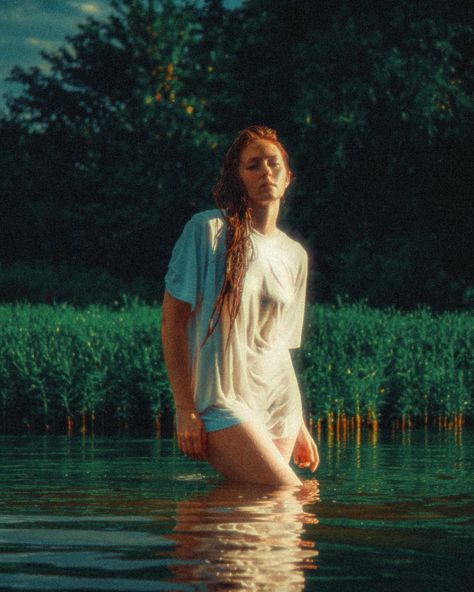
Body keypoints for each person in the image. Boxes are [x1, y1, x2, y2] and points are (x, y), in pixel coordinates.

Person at [161, 125, 319, 486]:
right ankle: (186, 537)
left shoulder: (295, 256)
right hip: (222, 402)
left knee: (266, 531)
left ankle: (195, 535)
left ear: (288, 177)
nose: (265, 172)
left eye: (273, 164)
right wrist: (185, 408)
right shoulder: (208, 232)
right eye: (253, 165)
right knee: (288, 495)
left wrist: (298, 423)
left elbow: (278, 345)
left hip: (279, 405)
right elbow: (173, 322)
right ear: (238, 178)